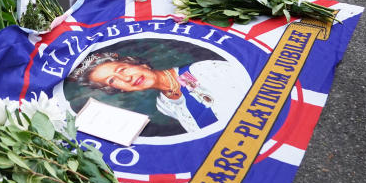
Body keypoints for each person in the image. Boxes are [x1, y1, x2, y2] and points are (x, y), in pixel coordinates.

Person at [69, 52, 251, 133]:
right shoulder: (164, 104)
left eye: (123, 70)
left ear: (138, 63)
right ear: (118, 89)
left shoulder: (201, 69)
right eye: (113, 80)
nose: (126, 79)